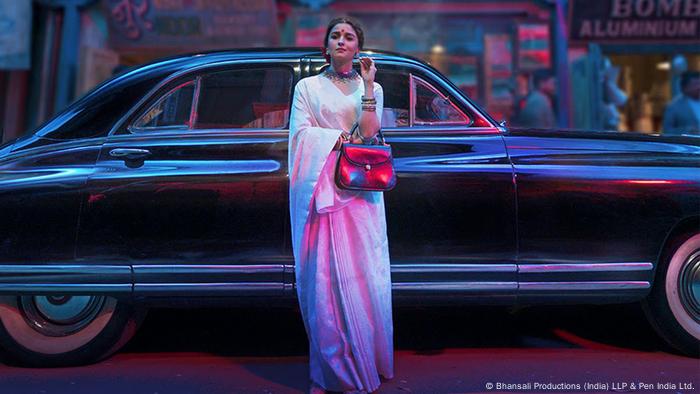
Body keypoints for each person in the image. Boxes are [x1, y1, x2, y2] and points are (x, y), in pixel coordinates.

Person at [288, 16, 393, 394]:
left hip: (360, 192)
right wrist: (337, 140)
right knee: (327, 280)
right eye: (336, 35)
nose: (342, 41)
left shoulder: (374, 87)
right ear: (326, 46)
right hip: (321, 189)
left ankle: (367, 358)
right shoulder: (307, 87)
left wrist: (367, 84)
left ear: (358, 48)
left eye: (349, 36)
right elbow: (300, 135)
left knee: (365, 276)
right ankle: (337, 369)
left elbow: (369, 132)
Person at [662, 70, 700, 136]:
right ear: (685, 88)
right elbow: (666, 131)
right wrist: (687, 130)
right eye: (695, 84)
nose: (699, 87)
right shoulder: (673, 106)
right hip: (688, 144)